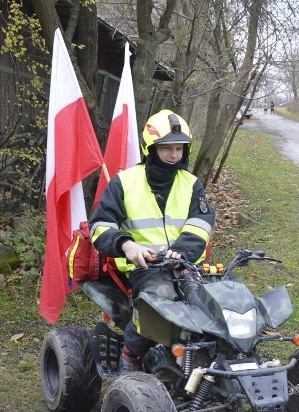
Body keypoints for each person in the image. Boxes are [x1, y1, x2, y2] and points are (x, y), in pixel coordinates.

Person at [89, 109, 215, 373]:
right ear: (150, 148)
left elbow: (201, 225)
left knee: (220, 299)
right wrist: (127, 245)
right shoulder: (123, 183)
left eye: (179, 149)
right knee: (161, 298)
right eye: (166, 148)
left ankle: (215, 359)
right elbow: (100, 226)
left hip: (187, 266)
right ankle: (131, 353)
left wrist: (180, 253)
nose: (173, 155)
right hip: (144, 267)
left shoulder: (191, 184)